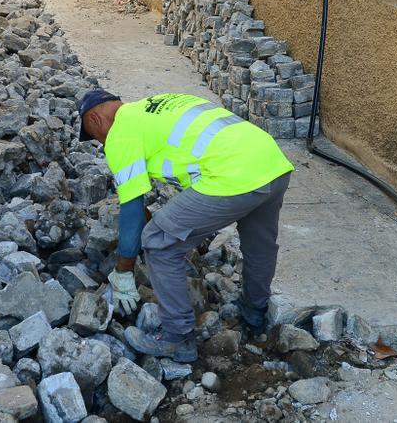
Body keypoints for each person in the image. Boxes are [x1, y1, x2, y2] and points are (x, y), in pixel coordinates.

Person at [77, 89, 294, 363]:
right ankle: (254, 313)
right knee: (259, 244)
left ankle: (177, 337)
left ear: (95, 119)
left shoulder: (120, 133)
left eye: (93, 136)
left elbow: (131, 209)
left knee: (157, 242)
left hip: (232, 175)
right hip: (271, 161)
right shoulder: (156, 104)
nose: (99, 142)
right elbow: (140, 197)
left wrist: (123, 272)